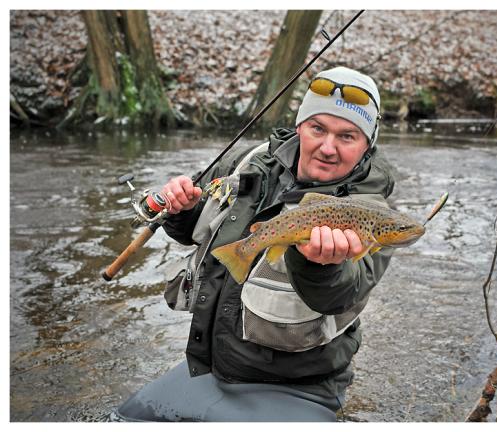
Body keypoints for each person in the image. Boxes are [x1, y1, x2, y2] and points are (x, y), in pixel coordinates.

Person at [116, 66, 396, 422]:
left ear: (367, 145)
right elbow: (198, 231)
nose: (327, 148)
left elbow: (341, 294)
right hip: (211, 369)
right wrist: (181, 210)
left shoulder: (373, 216)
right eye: (318, 128)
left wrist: (318, 265)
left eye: (347, 136)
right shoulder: (253, 162)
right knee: (126, 420)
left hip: (299, 390)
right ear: (300, 128)